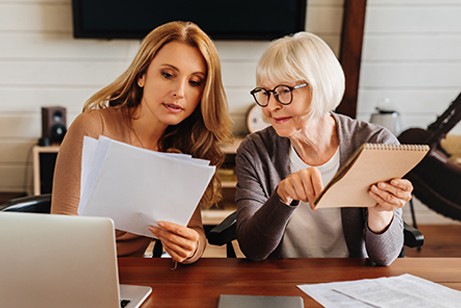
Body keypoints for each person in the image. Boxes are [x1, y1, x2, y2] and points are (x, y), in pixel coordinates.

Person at [51, 21, 232, 264]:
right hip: (77, 271)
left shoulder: (187, 145)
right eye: (168, 75)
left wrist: (190, 248)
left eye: (195, 82)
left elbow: (196, 232)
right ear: (141, 76)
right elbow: (62, 231)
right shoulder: (94, 128)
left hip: (135, 278)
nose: (180, 92)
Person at [235, 32, 413, 266]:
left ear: (319, 87)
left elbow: (384, 258)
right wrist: (282, 196)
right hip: (281, 280)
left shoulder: (376, 144)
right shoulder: (256, 150)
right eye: (265, 93)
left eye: (284, 92)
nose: (270, 106)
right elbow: (252, 249)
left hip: (350, 282)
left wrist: (381, 212)